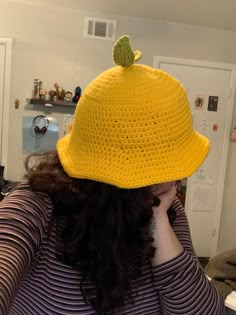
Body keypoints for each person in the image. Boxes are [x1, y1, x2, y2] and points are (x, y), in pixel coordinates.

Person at [0, 35, 224, 315]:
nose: (176, 178)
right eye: (165, 164)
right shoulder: (37, 204)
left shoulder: (165, 206)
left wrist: (158, 223)